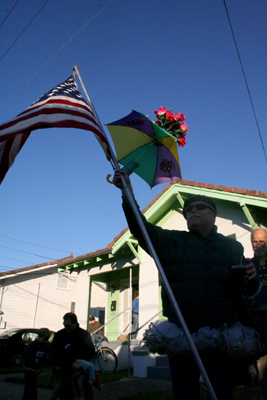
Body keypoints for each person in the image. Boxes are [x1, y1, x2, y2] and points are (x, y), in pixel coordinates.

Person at [112, 170, 262, 400]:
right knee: (184, 395)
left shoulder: (233, 248)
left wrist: (251, 280)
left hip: (222, 336)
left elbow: (243, 292)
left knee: (221, 392)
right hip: (182, 336)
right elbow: (140, 228)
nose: (192, 211)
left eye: (199, 207)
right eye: (188, 210)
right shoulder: (171, 241)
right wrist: (127, 193)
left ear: (213, 213)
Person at [51, 312, 95, 400]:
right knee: (64, 395)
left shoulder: (83, 335)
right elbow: (53, 351)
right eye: (64, 325)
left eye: (68, 325)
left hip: (80, 371)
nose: (66, 328)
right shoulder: (60, 335)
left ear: (75, 323)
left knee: (82, 394)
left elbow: (91, 352)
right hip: (64, 371)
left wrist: (77, 360)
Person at [249, 228, 267, 398]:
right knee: (263, 365)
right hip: (257, 321)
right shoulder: (248, 265)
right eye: (255, 241)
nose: (258, 245)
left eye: (262, 241)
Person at [22, 328, 51, 400]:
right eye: (44, 339)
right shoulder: (33, 345)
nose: (45, 341)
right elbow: (26, 353)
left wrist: (45, 357)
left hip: (35, 369)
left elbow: (42, 355)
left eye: (46, 339)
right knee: (30, 387)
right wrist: (34, 358)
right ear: (40, 337)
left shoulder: (42, 346)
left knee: (32, 386)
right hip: (29, 368)